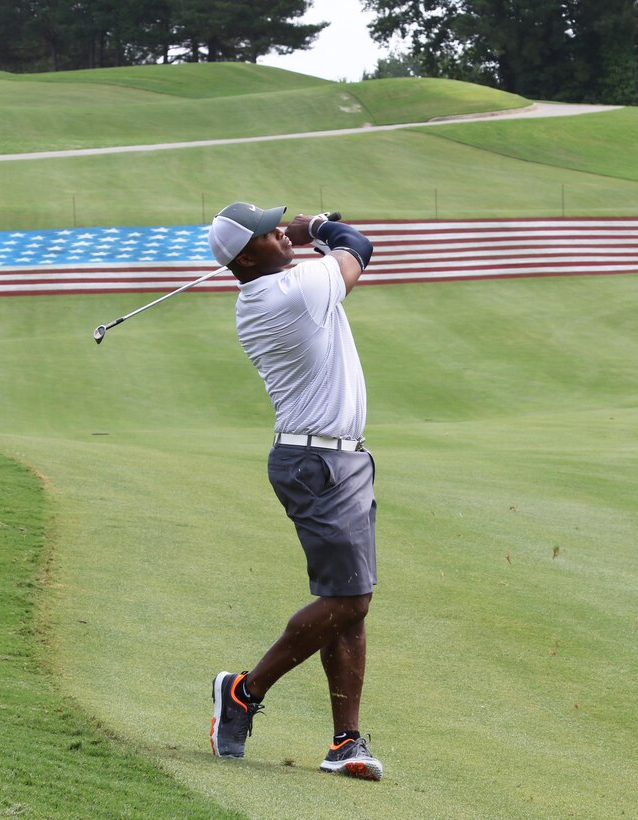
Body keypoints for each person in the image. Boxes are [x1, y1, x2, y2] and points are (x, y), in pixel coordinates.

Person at [206, 202, 382, 781]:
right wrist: (319, 228)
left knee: (347, 601)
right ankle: (244, 691)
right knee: (350, 601)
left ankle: (346, 743)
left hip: (337, 458)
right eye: (269, 230)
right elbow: (358, 246)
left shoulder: (270, 290)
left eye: (281, 224)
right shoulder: (294, 291)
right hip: (317, 461)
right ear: (247, 254)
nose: (281, 230)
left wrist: (302, 237)